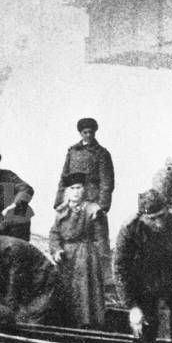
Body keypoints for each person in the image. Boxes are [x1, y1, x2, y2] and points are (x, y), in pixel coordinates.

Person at [114, 188, 172, 343]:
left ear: (167, 210)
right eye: (153, 219)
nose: (158, 223)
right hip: (144, 279)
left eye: (162, 216)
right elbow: (120, 269)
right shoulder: (129, 228)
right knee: (145, 331)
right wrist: (132, 307)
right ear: (142, 217)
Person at [54, 117, 115, 288]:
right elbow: (64, 177)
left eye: (91, 132)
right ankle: (73, 280)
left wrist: (102, 206)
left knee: (99, 239)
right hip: (73, 197)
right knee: (71, 237)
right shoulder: (72, 151)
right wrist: (60, 200)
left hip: (93, 199)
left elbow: (107, 182)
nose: (88, 135)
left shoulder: (102, 153)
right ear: (80, 133)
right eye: (85, 132)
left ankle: (106, 283)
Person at [49, 171, 106, 328]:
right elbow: (54, 233)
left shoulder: (91, 209)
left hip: (84, 254)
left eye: (78, 188)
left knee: (85, 291)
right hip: (66, 255)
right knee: (65, 289)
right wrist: (56, 250)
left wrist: (98, 214)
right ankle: (66, 323)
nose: (75, 192)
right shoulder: (61, 210)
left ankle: (87, 324)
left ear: (84, 190)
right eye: (72, 188)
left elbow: (100, 232)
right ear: (67, 191)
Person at [0, 234, 60, 325]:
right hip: (29, 284)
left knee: (33, 318)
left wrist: (7, 309)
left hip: (44, 281)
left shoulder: (12, 249)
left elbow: (14, 283)